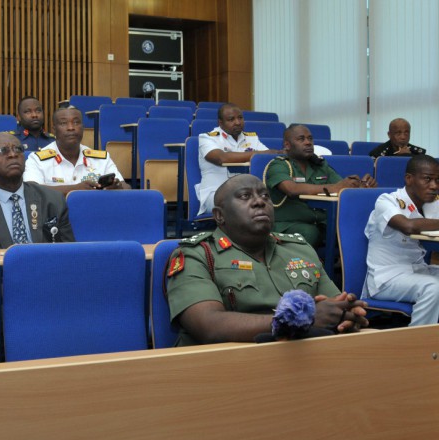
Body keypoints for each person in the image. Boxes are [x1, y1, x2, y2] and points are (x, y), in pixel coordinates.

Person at [165, 174, 368, 346]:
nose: (259, 201)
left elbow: (332, 305)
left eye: (265, 196)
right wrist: (300, 320)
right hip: (226, 366)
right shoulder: (197, 255)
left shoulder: (299, 249)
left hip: (303, 359)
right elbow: (208, 326)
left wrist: (345, 315)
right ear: (219, 215)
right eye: (245, 196)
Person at [264, 124, 377, 247]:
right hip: (288, 224)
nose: (308, 143)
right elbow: (291, 189)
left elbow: (342, 187)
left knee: (349, 225)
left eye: (310, 138)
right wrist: (334, 188)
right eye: (301, 139)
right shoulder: (279, 165)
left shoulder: (320, 165)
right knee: (309, 232)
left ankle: (341, 264)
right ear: (287, 145)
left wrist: (361, 187)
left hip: (319, 222)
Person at [0, 132, 74, 248]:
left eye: (18, 149)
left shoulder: (53, 201)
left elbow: (69, 253)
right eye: (3, 150)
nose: (13, 154)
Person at [363, 155, 439, 325]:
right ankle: (417, 347)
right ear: (409, 179)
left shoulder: (432, 205)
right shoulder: (387, 201)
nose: (434, 186)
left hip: (418, 270)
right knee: (433, 287)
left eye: (437, 180)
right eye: (427, 179)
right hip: (387, 278)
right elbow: (408, 226)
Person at [23, 106, 130, 194]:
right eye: (63, 123)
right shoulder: (37, 159)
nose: (71, 128)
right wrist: (75, 189)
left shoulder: (101, 159)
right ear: (54, 130)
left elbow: (127, 188)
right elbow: (31, 191)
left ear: (82, 127)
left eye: (76, 122)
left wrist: (118, 187)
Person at [196, 103, 275, 215]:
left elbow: (267, 157)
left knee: (270, 200)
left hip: (247, 192)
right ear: (220, 122)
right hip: (216, 193)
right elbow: (221, 158)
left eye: (240, 118)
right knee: (245, 204)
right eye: (231, 119)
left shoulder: (251, 138)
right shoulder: (207, 138)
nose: (237, 122)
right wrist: (258, 154)